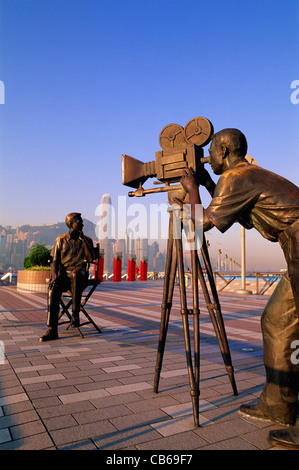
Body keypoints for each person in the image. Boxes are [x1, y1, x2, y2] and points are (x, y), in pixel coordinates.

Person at [178, 128, 299, 449]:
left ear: (225, 150)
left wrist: (191, 189)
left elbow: (198, 224)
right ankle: (278, 403)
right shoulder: (244, 175)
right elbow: (236, 209)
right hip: (294, 246)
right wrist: (205, 183)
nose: (208, 157)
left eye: (211, 152)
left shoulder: (238, 177)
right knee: (278, 321)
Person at [39, 212, 95, 342]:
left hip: (80, 276)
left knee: (75, 274)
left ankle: (75, 315)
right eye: (79, 221)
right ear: (71, 224)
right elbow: (54, 262)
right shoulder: (60, 240)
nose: (82, 223)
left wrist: (83, 240)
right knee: (52, 289)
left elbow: (91, 258)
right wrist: (54, 278)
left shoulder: (88, 240)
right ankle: (52, 330)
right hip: (64, 276)